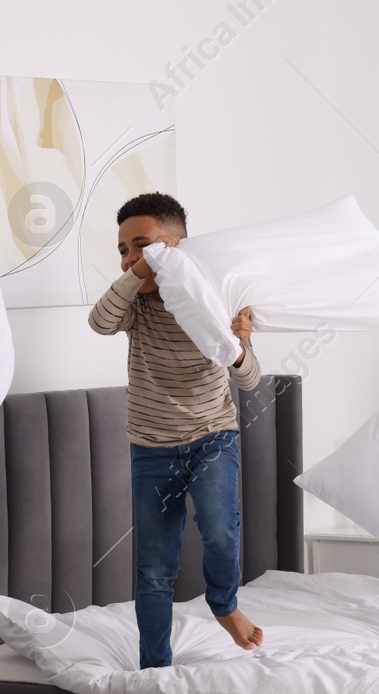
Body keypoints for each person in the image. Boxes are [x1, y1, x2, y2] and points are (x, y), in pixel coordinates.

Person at [88, 192, 265, 669]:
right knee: (154, 568)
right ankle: (154, 668)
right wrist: (138, 273)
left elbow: (249, 380)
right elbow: (98, 322)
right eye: (123, 250)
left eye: (141, 247)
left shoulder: (215, 298)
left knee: (220, 532)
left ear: (175, 248)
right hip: (152, 448)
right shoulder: (135, 307)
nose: (130, 259)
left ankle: (224, 604)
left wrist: (241, 345)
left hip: (213, 436)